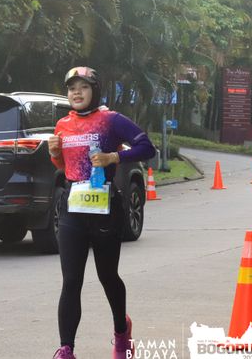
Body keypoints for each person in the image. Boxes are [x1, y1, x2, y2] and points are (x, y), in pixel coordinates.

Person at [48, 66, 156, 359]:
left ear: (95, 91)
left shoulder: (110, 120)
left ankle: (122, 334)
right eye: (72, 88)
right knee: (71, 280)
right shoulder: (62, 125)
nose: (77, 93)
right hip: (72, 209)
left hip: (105, 209)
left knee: (107, 276)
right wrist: (55, 152)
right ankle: (66, 349)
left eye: (83, 87)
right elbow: (64, 167)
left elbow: (147, 147)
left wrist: (113, 157)